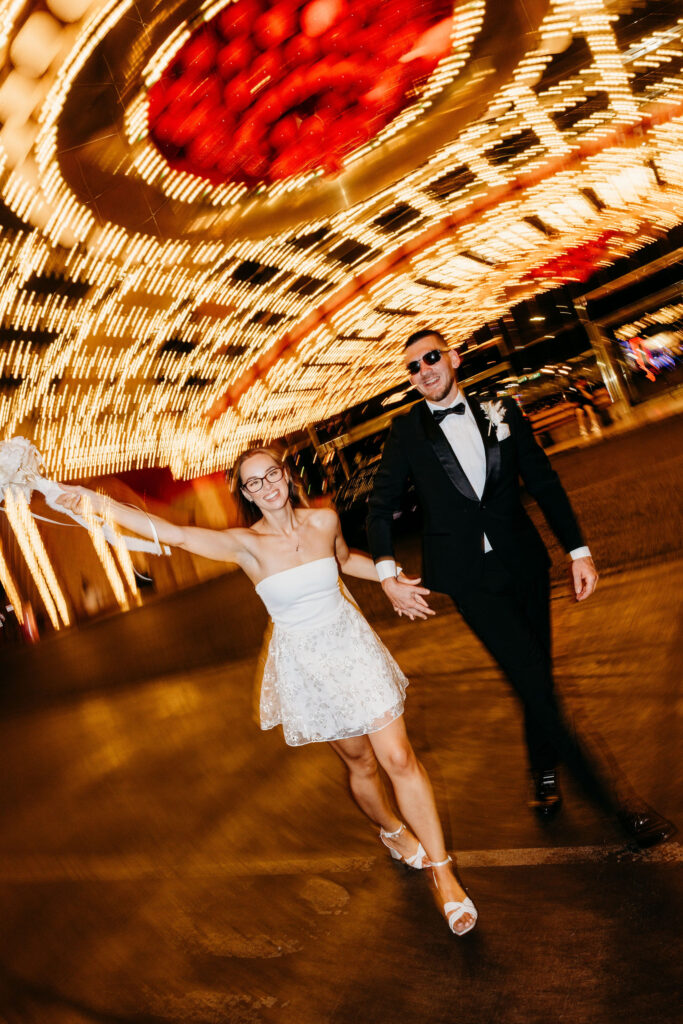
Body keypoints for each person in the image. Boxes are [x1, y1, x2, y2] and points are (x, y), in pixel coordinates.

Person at [57, 446, 477, 937]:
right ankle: (391, 829)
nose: (265, 486)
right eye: (252, 482)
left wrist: (390, 579)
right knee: (360, 763)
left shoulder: (323, 521)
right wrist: (93, 499)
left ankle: (442, 872)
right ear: (246, 493)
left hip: (353, 647)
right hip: (308, 666)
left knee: (400, 759)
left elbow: (344, 560)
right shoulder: (244, 545)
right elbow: (168, 532)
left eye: (270, 474)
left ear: (285, 474)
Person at [367, 328, 675, 847]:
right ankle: (618, 808)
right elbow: (379, 507)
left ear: (455, 358)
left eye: (432, 358)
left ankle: (543, 771)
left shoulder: (501, 410)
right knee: (535, 682)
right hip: (469, 580)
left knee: (537, 674)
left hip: (524, 565)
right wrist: (386, 575)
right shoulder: (407, 431)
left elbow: (544, 480)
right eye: (413, 367)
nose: (424, 371)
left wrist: (578, 551)